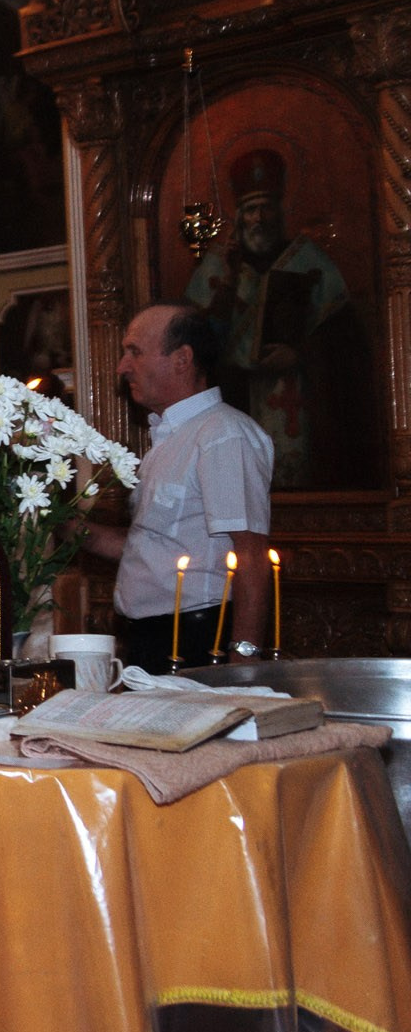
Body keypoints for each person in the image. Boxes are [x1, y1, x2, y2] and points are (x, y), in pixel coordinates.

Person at [79, 303, 272, 672]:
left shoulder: (222, 434)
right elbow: (151, 548)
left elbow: (250, 550)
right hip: (151, 638)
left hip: (198, 637)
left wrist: (243, 659)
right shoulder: (170, 437)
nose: (122, 367)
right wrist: (55, 519)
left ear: (182, 359)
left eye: (134, 352)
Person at [184, 149, 368, 489]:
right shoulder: (216, 267)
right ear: (239, 216)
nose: (259, 218)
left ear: (280, 210)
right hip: (235, 399)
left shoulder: (310, 262)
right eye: (250, 209)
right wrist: (228, 287)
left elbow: (345, 341)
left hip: (298, 401)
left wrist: (299, 355)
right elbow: (194, 345)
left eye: (266, 207)